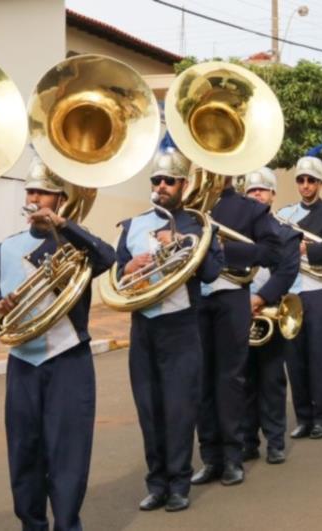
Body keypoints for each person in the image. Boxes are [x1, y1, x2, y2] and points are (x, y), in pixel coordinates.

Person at [0, 157, 116, 531]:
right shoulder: (5, 248)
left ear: (59, 199)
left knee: (68, 452)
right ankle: (31, 524)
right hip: (23, 361)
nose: (35, 198)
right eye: (31, 191)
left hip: (68, 357)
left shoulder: (77, 244)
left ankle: (67, 524)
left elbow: (109, 257)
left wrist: (65, 226)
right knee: (24, 450)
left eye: (44, 192)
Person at [115, 140, 223, 512]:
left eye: (170, 181)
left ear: (183, 186)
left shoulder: (198, 223)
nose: (161, 186)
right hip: (143, 326)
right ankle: (156, 483)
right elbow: (116, 276)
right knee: (149, 409)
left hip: (180, 325)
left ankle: (179, 482)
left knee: (178, 409)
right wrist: (128, 269)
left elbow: (212, 273)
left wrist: (181, 243)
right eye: (157, 179)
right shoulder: (132, 226)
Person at [192, 169, 280, 487]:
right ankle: (210, 458)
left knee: (230, 379)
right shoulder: (190, 207)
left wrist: (217, 249)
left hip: (231, 297)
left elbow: (270, 251)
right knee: (201, 381)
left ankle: (233, 457)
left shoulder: (250, 208)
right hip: (194, 300)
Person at [277, 156, 322, 439]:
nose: (305, 185)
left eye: (310, 181)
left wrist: (309, 251)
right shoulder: (286, 214)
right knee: (294, 359)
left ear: (319, 184)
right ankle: (304, 417)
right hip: (291, 292)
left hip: (318, 292)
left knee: (320, 357)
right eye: (300, 180)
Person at [240, 167, 300, 464]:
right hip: (236, 313)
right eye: (251, 190)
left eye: (262, 190)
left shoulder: (285, 232)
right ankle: (247, 442)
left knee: (271, 380)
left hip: (269, 312)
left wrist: (260, 298)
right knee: (241, 381)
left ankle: (275, 442)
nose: (256, 194)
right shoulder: (232, 230)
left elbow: (288, 270)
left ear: (273, 195)